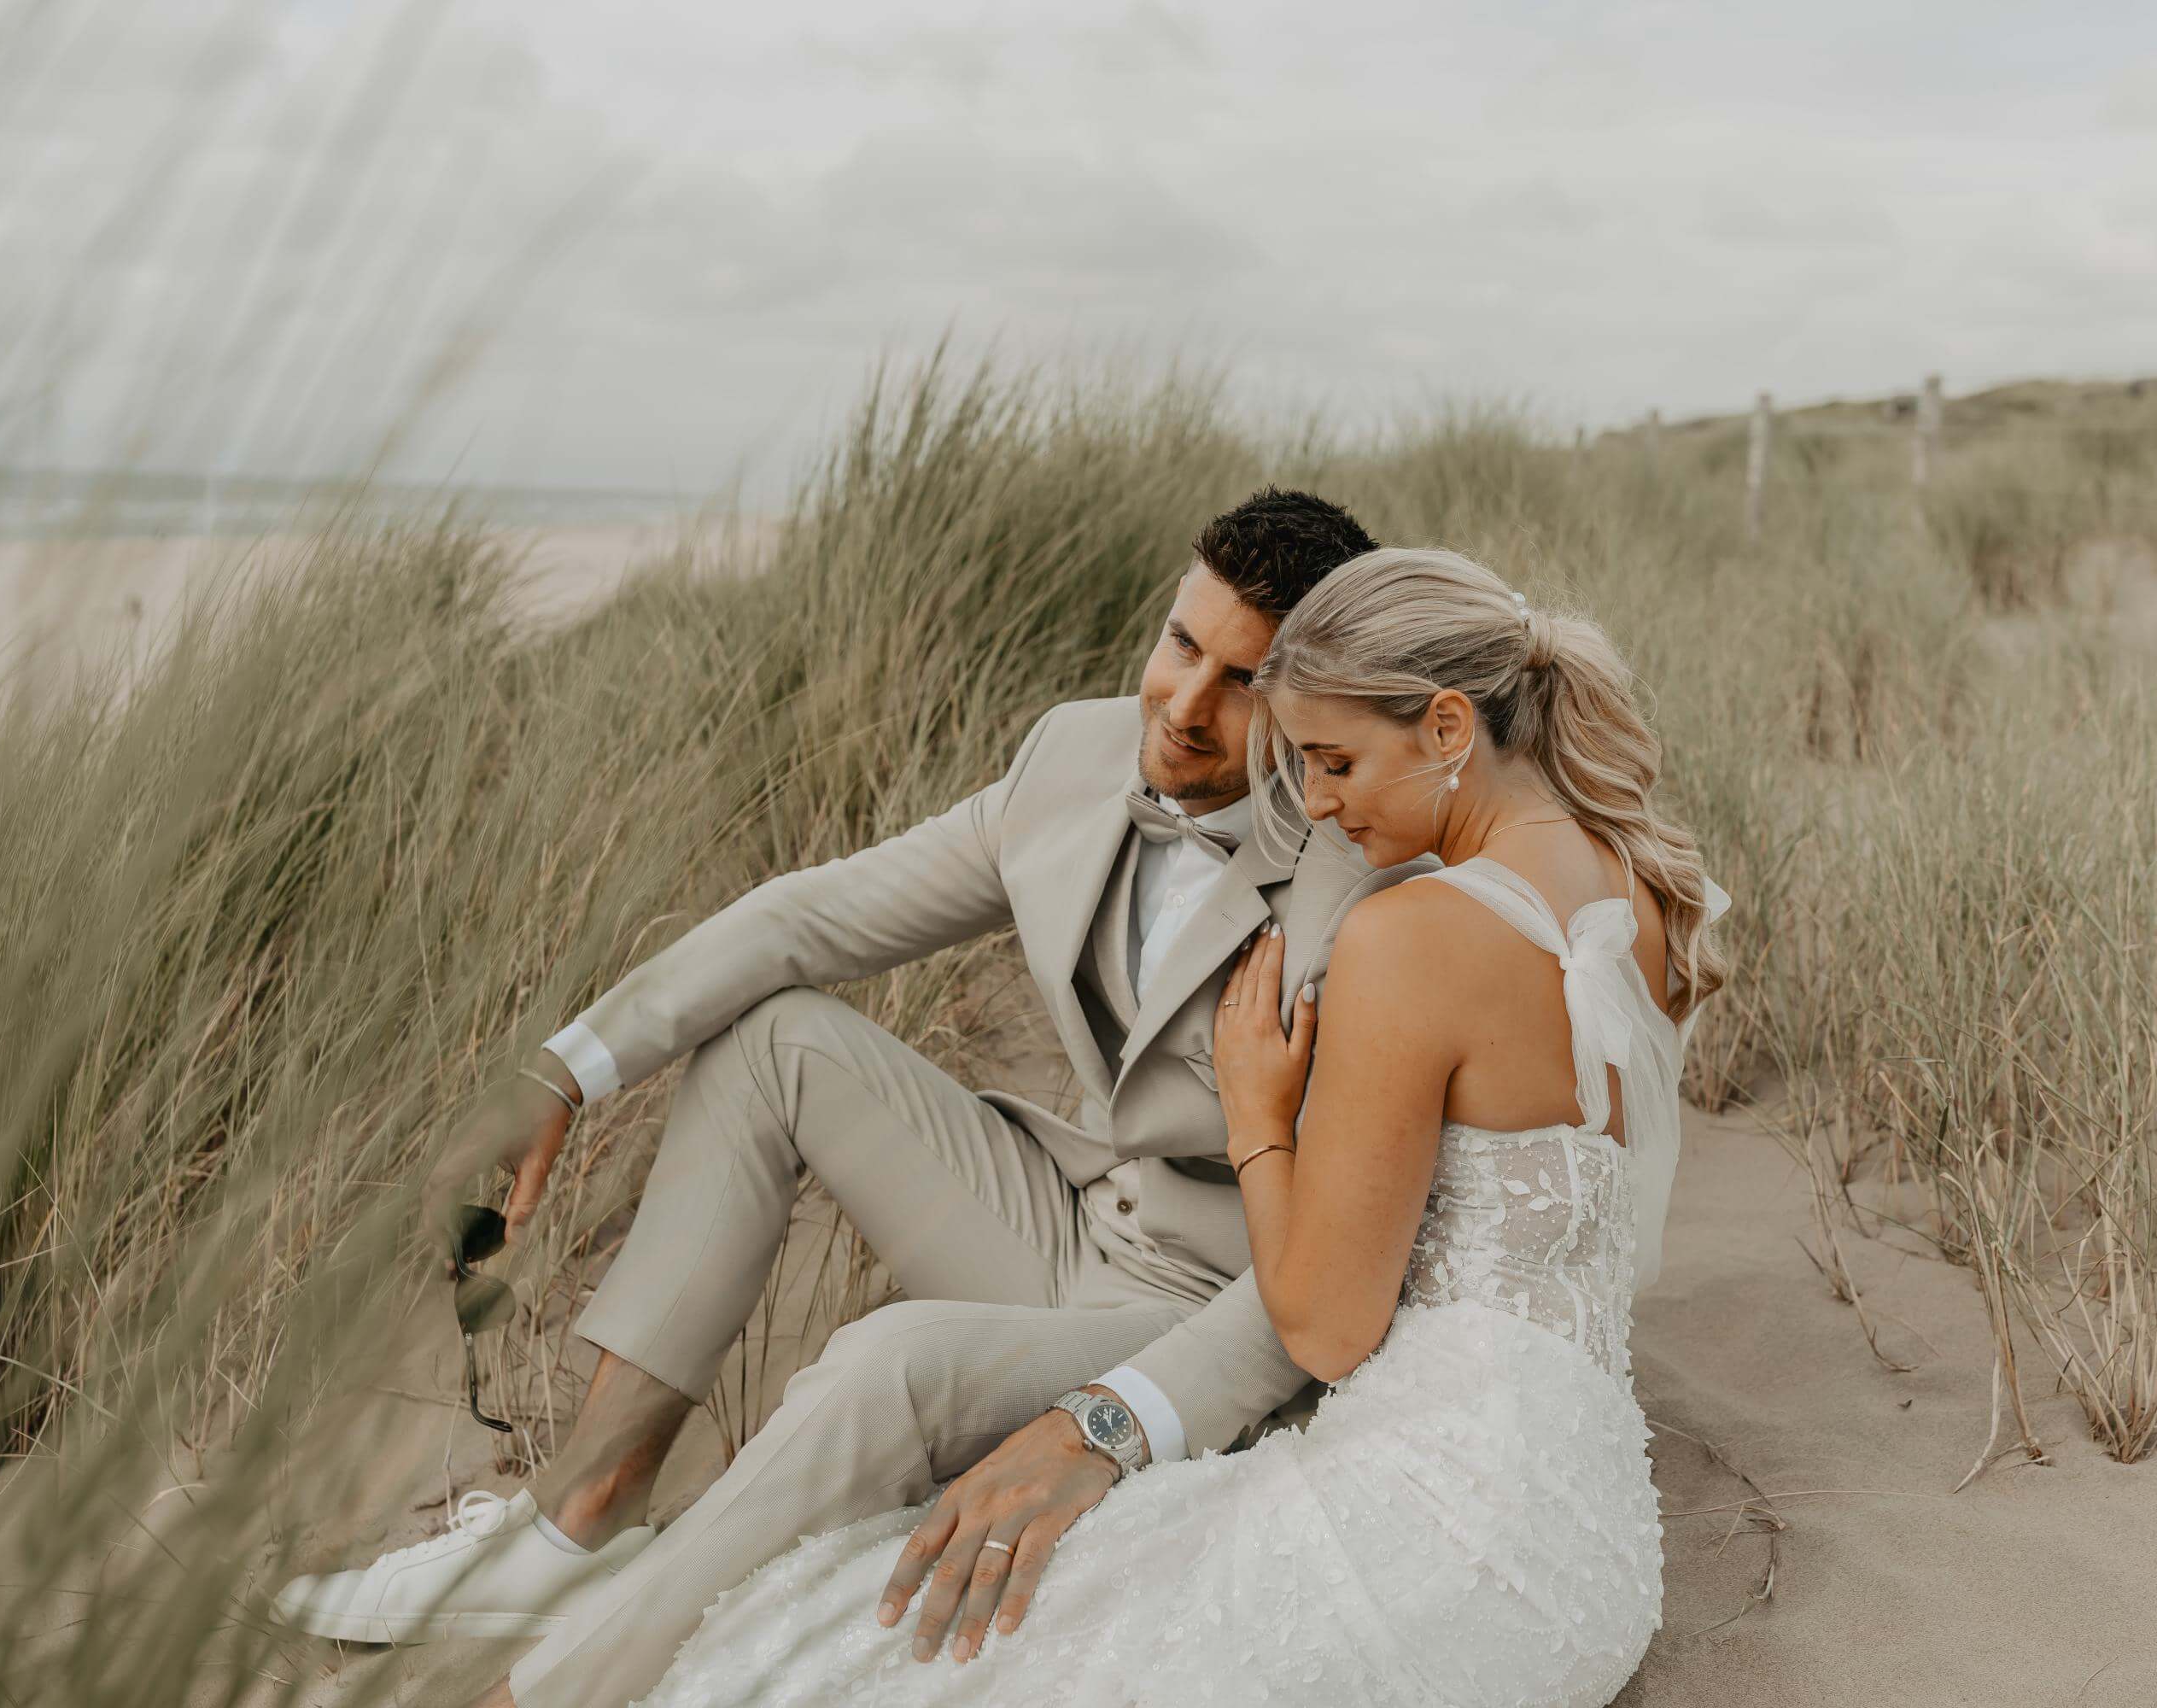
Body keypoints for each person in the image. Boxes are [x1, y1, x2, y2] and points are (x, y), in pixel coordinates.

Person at [269, 488, 1442, 1708]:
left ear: (1314, 705)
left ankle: (552, 1693)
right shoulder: (1075, 757)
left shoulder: (1363, 884)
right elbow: (815, 914)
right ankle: (582, 1518)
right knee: (773, 1039)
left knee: (888, 1364)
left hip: (1221, 1303)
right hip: (1076, 1220)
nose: (1186, 705)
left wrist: (1112, 1421)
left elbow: (1337, 1270)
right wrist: (558, 1071)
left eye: (1242, 682)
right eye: (1180, 644)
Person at [624, 545, 1733, 1706]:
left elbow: (1327, 1328)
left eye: (1336, 762)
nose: (1319, 805)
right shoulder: (1639, 883)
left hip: (1437, 1522)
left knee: (880, 1644)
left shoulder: (1410, 939)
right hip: (1587, 1535)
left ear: (1450, 727)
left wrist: (1259, 1117)